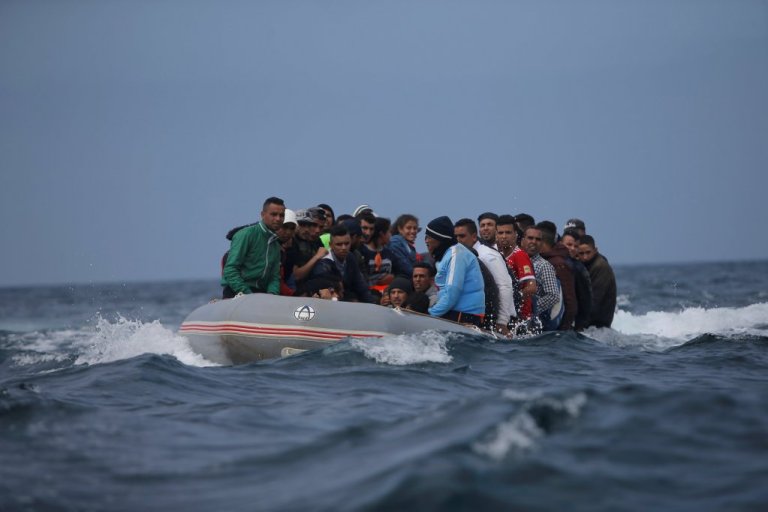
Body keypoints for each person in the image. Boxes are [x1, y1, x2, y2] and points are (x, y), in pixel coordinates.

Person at [454, 218, 515, 335]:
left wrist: (501, 322)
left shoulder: (487, 255)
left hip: (503, 319)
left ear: (473, 237)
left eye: (462, 236)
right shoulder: (465, 255)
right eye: (455, 237)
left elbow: (504, 286)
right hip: (485, 316)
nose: (458, 241)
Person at [424, 216, 485, 328]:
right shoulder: (448, 254)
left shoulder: (456, 254)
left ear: (439, 238)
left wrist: (429, 315)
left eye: (429, 237)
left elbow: (452, 293)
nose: (426, 241)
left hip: (464, 315)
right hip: (457, 312)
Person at [221, 196, 286, 299]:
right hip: (236, 292)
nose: (278, 219)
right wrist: (248, 294)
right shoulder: (245, 235)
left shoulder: (276, 244)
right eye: (273, 214)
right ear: (262, 215)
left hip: (261, 296)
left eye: (281, 215)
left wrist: (272, 296)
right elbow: (230, 270)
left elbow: (274, 277)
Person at [311, 225, 372, 303]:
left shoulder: (350, 257)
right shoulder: (323, 264)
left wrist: (372, 305)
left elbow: (360, 285)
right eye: (339, 244)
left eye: (347, 244)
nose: (343, 248)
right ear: (330, 245)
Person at [496, 214, 537, 321]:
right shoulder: (497, 254)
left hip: (520, 318)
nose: (504, 236)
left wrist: (513, 298)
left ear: (515, 234)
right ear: (496, 235)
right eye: (500, 233)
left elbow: (532, 287)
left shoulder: (519, 255)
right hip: (505, 314)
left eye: (508, 232)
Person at [522, 226, 563, 331]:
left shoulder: (544, 266)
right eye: (530, 238)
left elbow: (553, 296)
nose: (534, 242)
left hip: (534, 323)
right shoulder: (515, 261)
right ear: (522, 240)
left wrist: (532, 308)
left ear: (541, 244)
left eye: (538, 239)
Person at [538, 222, 577, 330]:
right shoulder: (542, 259)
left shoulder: (559, 264)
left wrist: (563, 330)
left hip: (556, 329)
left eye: (536, 239)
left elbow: (570, 301)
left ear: (542, 242)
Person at [578, 235, 617, 328]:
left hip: (598, 326)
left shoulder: (601, 267)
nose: (585, 257)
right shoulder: (584, 265)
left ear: (595, 250)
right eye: (581, 253)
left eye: (588, 252)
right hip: (591, 324)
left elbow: (595, 301)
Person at [286, 207, 327, 294]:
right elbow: (296, 276)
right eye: (302, 225)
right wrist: (316, 257)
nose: (306, 229)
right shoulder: (292, 242)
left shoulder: (316, 241)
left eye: (308, 225)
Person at [359, 217, 399, 299]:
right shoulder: (362, 251)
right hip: (369, 294)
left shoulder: (389, 253)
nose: (390, 235)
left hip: (388, 293)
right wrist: (377, 282)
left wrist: (393, 277)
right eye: (389, 232)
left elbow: (399, 271)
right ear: (382, 234)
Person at [561, 230, 593, 331]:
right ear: (561, 244)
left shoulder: (578, 268)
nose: (572, 249)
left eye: (575, 246)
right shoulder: (560, 262)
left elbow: (585, 299)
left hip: (575, 322)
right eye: (569, 245)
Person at [388, 214, 421, 278]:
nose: (412, 231)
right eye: (408, 228)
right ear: (400, 229)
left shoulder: (408, 246)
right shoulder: (395, 243)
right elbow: (405, 267)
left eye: (415, 228)